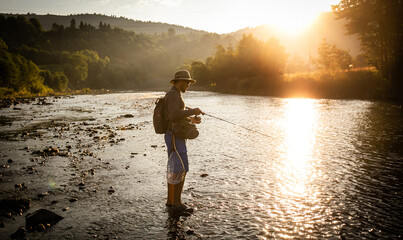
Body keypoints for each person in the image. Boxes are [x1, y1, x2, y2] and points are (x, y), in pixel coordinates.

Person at [163, 70, 203, 213]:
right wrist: (192, 111)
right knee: (181, 168)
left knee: (174, 167)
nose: (189, 85)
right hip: (174, 136)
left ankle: (170, 201)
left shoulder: (174, 94)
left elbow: (174, 115)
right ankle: (177, 203)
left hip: (173, 134)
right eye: (187, 82)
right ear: (180, 82)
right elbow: (174, 114)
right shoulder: (173, 94)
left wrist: (191, 119)